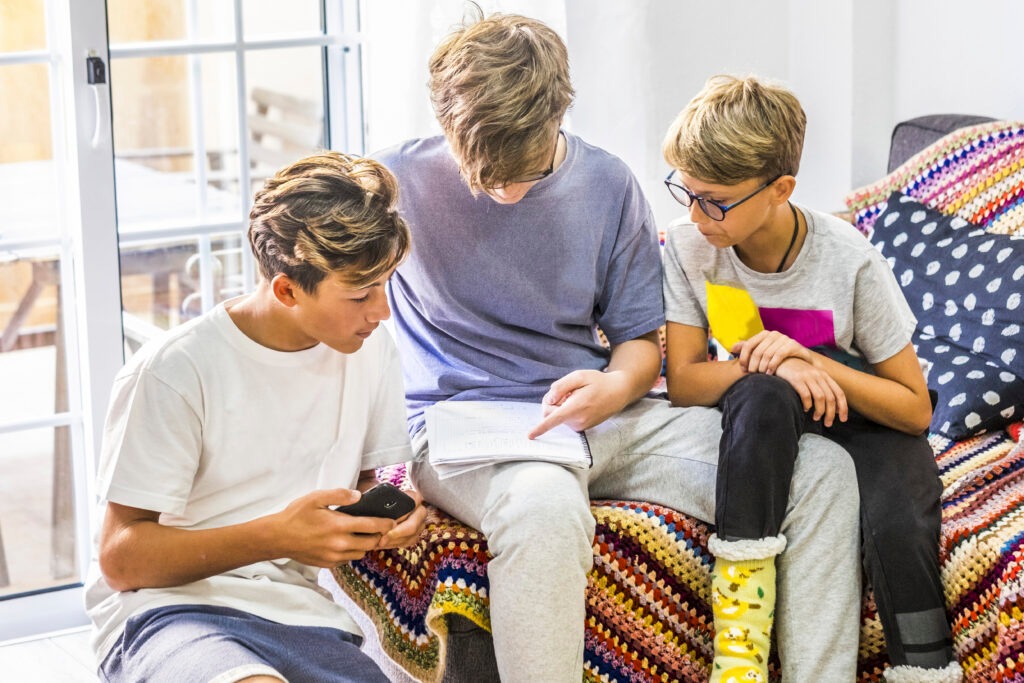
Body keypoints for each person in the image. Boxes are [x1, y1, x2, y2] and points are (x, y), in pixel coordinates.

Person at [374, 9, 863, 682]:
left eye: (518, 170)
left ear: (557, 116)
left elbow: (640, 344)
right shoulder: (393, 181)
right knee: (544, 506)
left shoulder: (607, 185)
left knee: (821, 472)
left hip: (598, 421)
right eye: (479, 168)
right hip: (466, 435)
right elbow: (334, 310)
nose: (499, 189)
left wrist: (613, 386)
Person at [84, 151, 428, 683]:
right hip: (169, 612)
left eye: (385, 286)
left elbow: (378, 476)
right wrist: (277, 536)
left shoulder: (370, 350)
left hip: (303, 616)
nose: (381, 311)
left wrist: (396, 506)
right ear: (287, 289)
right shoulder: (176, 370)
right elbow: (121, 559)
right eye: (360, 294)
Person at [661, 75, 960, 683]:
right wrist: (783, 366)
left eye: (715, 201)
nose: (695, 215)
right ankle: (739, 657)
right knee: (763, 391)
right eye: (685, 193)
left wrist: (812, 359)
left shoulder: (849, 259)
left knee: (900, 524)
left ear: (781, 190)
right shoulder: (692, 247)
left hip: (862, 416)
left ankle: (924, 667)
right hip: (765, 408)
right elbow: (686, 384)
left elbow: (913, 410)